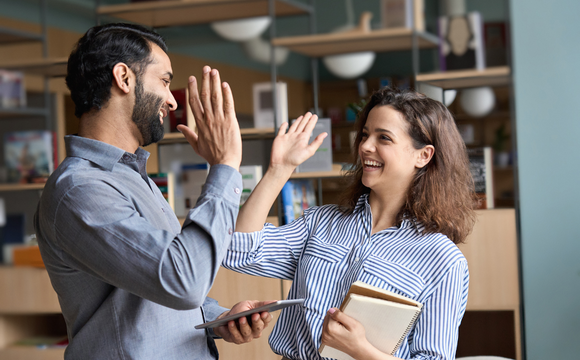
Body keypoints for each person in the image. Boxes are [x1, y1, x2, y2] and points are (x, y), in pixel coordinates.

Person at [34, 23, 275, 360]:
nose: (171, 101)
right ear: (124, 78)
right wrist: (225, 165)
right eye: (164, 81)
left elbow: (151, 281)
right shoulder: (80, 190)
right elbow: (183, 280)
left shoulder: (133, 176)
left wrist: (216, 318)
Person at [221, 87, 477, 359]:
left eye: (384, 138)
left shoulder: (444, 261)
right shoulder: (321, 223)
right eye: (365, 134)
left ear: (423, 155)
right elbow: (238, 251)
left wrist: (361, 350)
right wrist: (279, 169)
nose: (365, 146)